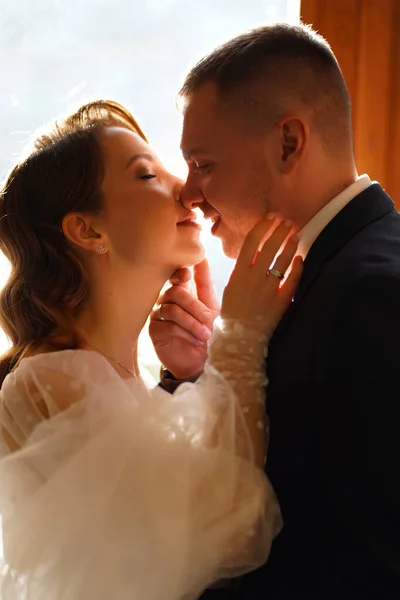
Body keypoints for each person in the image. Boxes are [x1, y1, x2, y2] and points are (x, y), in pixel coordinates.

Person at [0, 99, 302, 599]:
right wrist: (241, 339)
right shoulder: (50, 384)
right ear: (87, 229)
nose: (186, 190)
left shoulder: (112, 376)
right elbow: (227, 532)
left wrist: (191, 374)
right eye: (146, 175)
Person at [150, 23, 400, 599]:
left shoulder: (374, 295)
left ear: (289, 142)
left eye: (204, 164)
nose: (188, 194)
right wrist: (205, 370)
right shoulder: (323, 275)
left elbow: (381, 560)